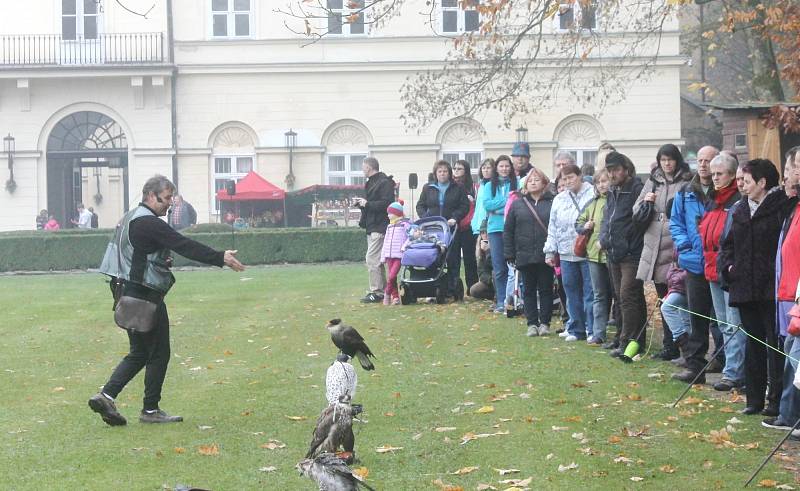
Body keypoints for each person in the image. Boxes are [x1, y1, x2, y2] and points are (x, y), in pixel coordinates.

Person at [90, 175, 245, 427]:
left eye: (172, 198)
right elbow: (183, 244)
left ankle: (106, 395)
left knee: (140, 351)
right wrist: (220, 257)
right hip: (145, 296)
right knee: (159, 352)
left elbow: (137, 253)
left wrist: (159, 259)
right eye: (166, 198)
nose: (169, 204)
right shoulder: (149, 222)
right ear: (150, 195)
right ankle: (150, 410)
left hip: (125, 292)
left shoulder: (129, 217)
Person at [720, 159, 792, 416]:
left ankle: (775, 401)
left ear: (762, 183)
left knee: (774, 344)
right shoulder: (739, 209)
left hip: (770, 288)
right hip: (745, 287)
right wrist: (728, 268)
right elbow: (727, 245)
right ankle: (754, 399)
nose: (743, 186)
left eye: (747, 181)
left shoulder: (781, 207)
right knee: (753, 342)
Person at [633, 144, 692, 361]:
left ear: (677, 160)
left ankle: (681, 344)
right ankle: (669, 344)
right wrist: (646, 202)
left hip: (674, 241)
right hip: (653, 241)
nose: (667, 164)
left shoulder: (686, 182)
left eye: (670, 159)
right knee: (661, 297)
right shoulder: (653, 181)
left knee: (675, 298)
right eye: (663, 160)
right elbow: (636, 209)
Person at [669, 145, 720, 383]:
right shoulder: (685, 192)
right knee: (696, 316)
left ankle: (725, 361)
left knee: (721, 317)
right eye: (699, 160)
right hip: (694, 261)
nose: (703, 165)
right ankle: (695, 365)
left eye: (708, 160)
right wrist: (685, 247)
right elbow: (676, 223)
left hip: (717, 261)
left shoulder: (723, 193)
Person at [699, 152, 745, 391]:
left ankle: (734, 372)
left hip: (727, 269)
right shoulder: (712, 199)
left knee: (734, 323)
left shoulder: (736, 201)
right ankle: (731, 367)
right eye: (713, 174)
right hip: (710, 267)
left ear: (732, 175)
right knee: (722, 323)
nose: (715, 178)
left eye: (720, 174)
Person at [764, 148, 800, 430]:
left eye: (795, 168)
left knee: (794, 356)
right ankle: (789, 415)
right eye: (791, 167)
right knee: (789, 352)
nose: (791, 173)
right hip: (786, 291)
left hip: (794, 293)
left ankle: (790, 416)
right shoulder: (790, 205)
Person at [598, 152, 647, 359]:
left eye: (616, 169)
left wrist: (627, 241)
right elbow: (607, 218)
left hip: (631, 252)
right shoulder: (612, 191)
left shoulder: (636, 188)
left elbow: (640, 219)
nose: (612, 174)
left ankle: (629, 341)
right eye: (609, 170)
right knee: (621, 297)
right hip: (613, 251)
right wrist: (603, 238)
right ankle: (624, 338)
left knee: (628, 296)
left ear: (626, 169)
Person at [544, 164, 595, 341]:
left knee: (589, 291)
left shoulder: (593, 194)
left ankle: (591, 328)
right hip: (566, 252)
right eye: (564, 179)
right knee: (571, 291)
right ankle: (576, 328)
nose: (568, 182)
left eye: (571, 177)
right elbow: (553, 226)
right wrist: (550, 251)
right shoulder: (559, 199)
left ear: (579, 176)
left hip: (588, 251)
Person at [504, 168, 554, 336]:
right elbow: (508, 230)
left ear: (544, 183)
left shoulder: (552, 202)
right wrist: (509, 253)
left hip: (545, 254)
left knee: (546, 289)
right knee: (528, 290)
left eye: (536, 179)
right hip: (524, 253)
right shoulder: (518, 204)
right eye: (530, 180)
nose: (533, 182)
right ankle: (532, 323)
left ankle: (545, 323)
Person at [416, 160, 470, 298]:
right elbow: (420, 205)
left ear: (449, 173)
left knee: (452, 258)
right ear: (435, 173)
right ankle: (431, 287)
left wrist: (455, 217)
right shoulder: (428, 188)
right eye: (439, 171)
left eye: (445, 171)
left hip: (450, 228)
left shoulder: (458, 188)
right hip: (432, 229)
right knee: (433, 257)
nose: (442, 174)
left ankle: (452, 288)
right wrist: (424, 218)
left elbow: (464, 206)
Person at [575, 168, 611, 344]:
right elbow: (578, 223)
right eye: (599, 182)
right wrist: (585, 226)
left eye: (605, 181)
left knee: (618, 296)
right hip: (594, 255)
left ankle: (620, 333)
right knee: (599, 295)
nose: (602, 184)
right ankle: (598, 332)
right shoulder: (592, 203)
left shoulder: (616, 201)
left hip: (612, 255)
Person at [354, 157, 395, 304]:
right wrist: (361, 204)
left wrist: (368, 203)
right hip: (372, 225)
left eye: (363, 167)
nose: (362, 170)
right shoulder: (371, 183)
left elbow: (387, 204)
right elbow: (372, 204)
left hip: (379, 225)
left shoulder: (384, 183)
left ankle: (377, 291)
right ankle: (383, 290)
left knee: (371, 259)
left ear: (369, 167)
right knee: (376, 260)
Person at [480, 156, 517, 313]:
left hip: (513, 227)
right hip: (495, 229)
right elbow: (487, 204)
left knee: (513, 266)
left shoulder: (517, 183)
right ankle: (501, 300)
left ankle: (514, 299)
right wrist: (506, 202)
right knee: (499, 266)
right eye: (501, 166)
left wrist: (498, 208)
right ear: (497, 168)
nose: (504, 169)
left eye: (507, 166)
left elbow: (516, 204)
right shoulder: (489, 185)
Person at [452, 160, 479, 292]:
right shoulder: (451, 186)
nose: (456, 171)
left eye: (460, 168)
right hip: (454, 226)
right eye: (455, 168)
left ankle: (472, 286)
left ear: (466, 171)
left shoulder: (473, 187)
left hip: (469, 226)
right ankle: (454, 286)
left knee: (470, 258)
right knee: (453, 258)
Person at [381, 200, 411, 305]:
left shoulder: (405, 225)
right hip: (389, 255)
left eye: (390, 213)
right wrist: (383, 256)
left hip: (398, 255)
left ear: (397, 213)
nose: (388, 215)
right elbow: (385, 242)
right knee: (391, 278)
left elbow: (410, 237)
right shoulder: (389, 226)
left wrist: (404, 247)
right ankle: (395, 298)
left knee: (392, 276)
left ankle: (387, 293)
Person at [470, 224, 494, 300]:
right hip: (490, 281)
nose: (485, 235)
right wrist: (490, 280)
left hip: (499, 277)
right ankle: (493, 295)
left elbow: (496, 265)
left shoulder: (497, 244)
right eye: (483, 232)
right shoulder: (480, 248)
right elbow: (481, 271)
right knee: (474, 290)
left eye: (486, 232)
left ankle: (499, 296)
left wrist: (488, 251)